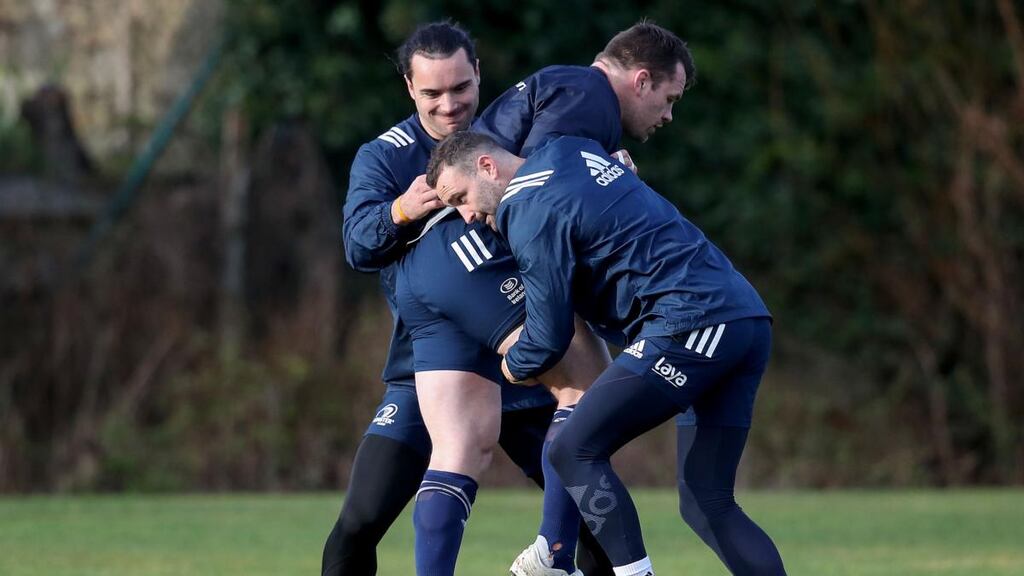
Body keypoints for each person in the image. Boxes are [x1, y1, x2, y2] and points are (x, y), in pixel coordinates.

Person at [426, 131, 788, 576]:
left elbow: (548, 334)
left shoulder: (525, 208)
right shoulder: (568, 150)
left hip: (693, 322)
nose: (466, 216)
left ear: (487, 166)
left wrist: (513, 365)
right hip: (743, 317)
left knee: (573, 447)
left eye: (460, 197)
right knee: (705, 500)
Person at [328, 21, 611, 576]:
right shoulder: (385, 157)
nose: (449, 104)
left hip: (522, 352)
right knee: (358, 522)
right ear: (410, 88)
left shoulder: (509, 135)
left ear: (478, 74)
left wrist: (608, 176)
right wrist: (403, 210)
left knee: (600, 529)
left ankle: (553, 559)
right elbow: (359, 245)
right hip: (433, 368)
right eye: (432, 93)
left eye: (460, 87)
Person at [394, 205, 613, 576]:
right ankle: (554, 556)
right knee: (587, 385)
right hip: (472, 247)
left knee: (458, 448)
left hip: (423, 262)